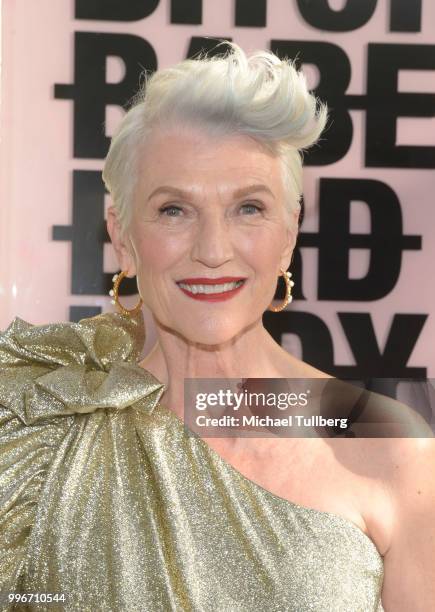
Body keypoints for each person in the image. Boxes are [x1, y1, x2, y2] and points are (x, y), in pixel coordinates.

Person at [0, 43, 434, 612]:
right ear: (122, 235)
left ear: (290, 230)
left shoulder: (389, 448)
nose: (212, 250)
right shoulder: (34, 426)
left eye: (248, 208)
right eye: (174, 209)